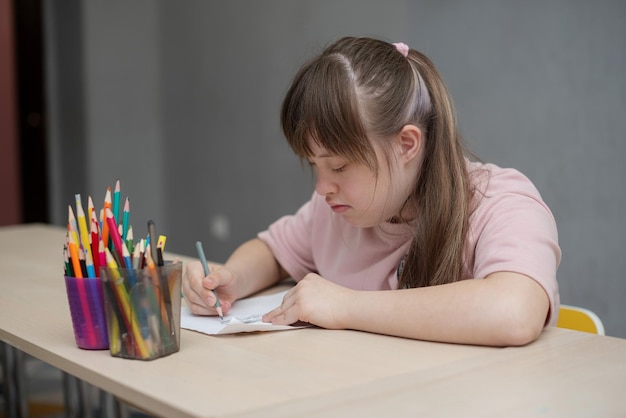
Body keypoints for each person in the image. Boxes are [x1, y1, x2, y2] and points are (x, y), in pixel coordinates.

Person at [182, 36, 560, 346]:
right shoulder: (334, 209)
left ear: (407, 144)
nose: (322, 188)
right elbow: (273, 251)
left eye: (340, 166)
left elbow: (513, 311)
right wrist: (231, 278)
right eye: (315, 165)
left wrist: (346, 306)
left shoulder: (500, 203)